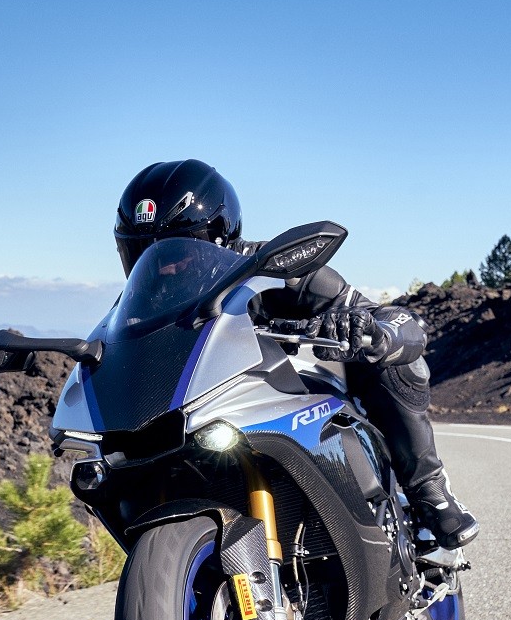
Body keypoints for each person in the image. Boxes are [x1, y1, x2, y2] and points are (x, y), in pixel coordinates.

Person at [113, 159, 479, 549]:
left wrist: (375, 330)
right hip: (203, 409)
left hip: (286, 386)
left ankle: (428, 489)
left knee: (385, 358)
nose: (166, 268)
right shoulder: (136, 312)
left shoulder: (274, 269)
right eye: (145, 252)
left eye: (180, 251)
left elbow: (382, 315)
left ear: (219, 237)